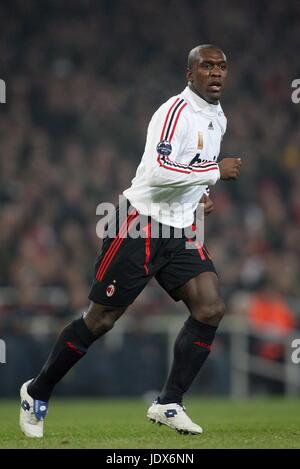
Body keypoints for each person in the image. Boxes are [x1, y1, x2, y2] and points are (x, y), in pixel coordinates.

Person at [19, 44, 241, 437]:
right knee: (101, 319)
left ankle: (169, 402)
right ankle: (37, 390)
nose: (216, 73)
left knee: (209, 307)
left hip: (179, 227)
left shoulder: (217, 117)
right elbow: (157, 171)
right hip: (140, 222)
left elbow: (184, 170)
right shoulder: (175, 111)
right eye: (207, 66)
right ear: (189, 73)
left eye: (222, 66)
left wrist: (196, 199)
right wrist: (212, 173)